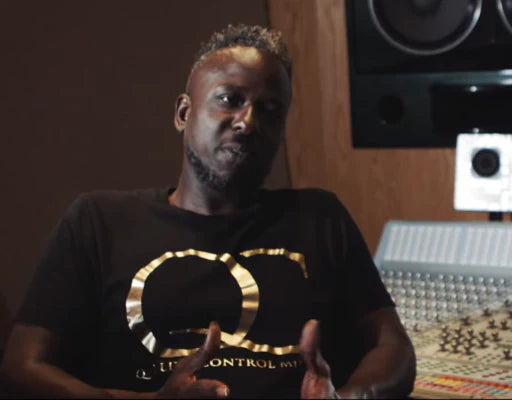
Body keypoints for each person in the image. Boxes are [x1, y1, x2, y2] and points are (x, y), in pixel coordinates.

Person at [0, 24, 415, 398]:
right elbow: (22, 369)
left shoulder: (320, 217)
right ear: (183, 113)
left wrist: (349, 398)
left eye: (271, 111)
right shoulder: (99, 221)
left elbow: (393, 347)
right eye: (230, 100)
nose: (248, 122)